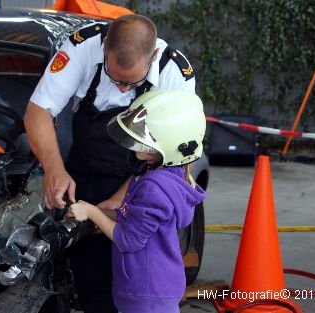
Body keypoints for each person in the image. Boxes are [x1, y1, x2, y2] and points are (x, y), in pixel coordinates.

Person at [24, 14, 196, 313]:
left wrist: (120, 201)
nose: (121, 90)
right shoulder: (81, 47)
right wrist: (54, 168)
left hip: (144, 183)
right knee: (92, 278)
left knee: (135, 278)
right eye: (115, 78)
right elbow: (38, 111)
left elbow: (173, 156)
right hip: (86, 172)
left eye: (133, 83)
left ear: (152, 55)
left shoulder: (174, 73)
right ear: (105, 48)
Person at [66, 90, 207, 313]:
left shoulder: (153, 188)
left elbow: (129, 239)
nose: (134, 143)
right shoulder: (170, 177)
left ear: (171, 143)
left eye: (146, 137)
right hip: (158, 286)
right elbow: (132, 218)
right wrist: (99, 213)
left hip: (146, 294)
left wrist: (92, 212)